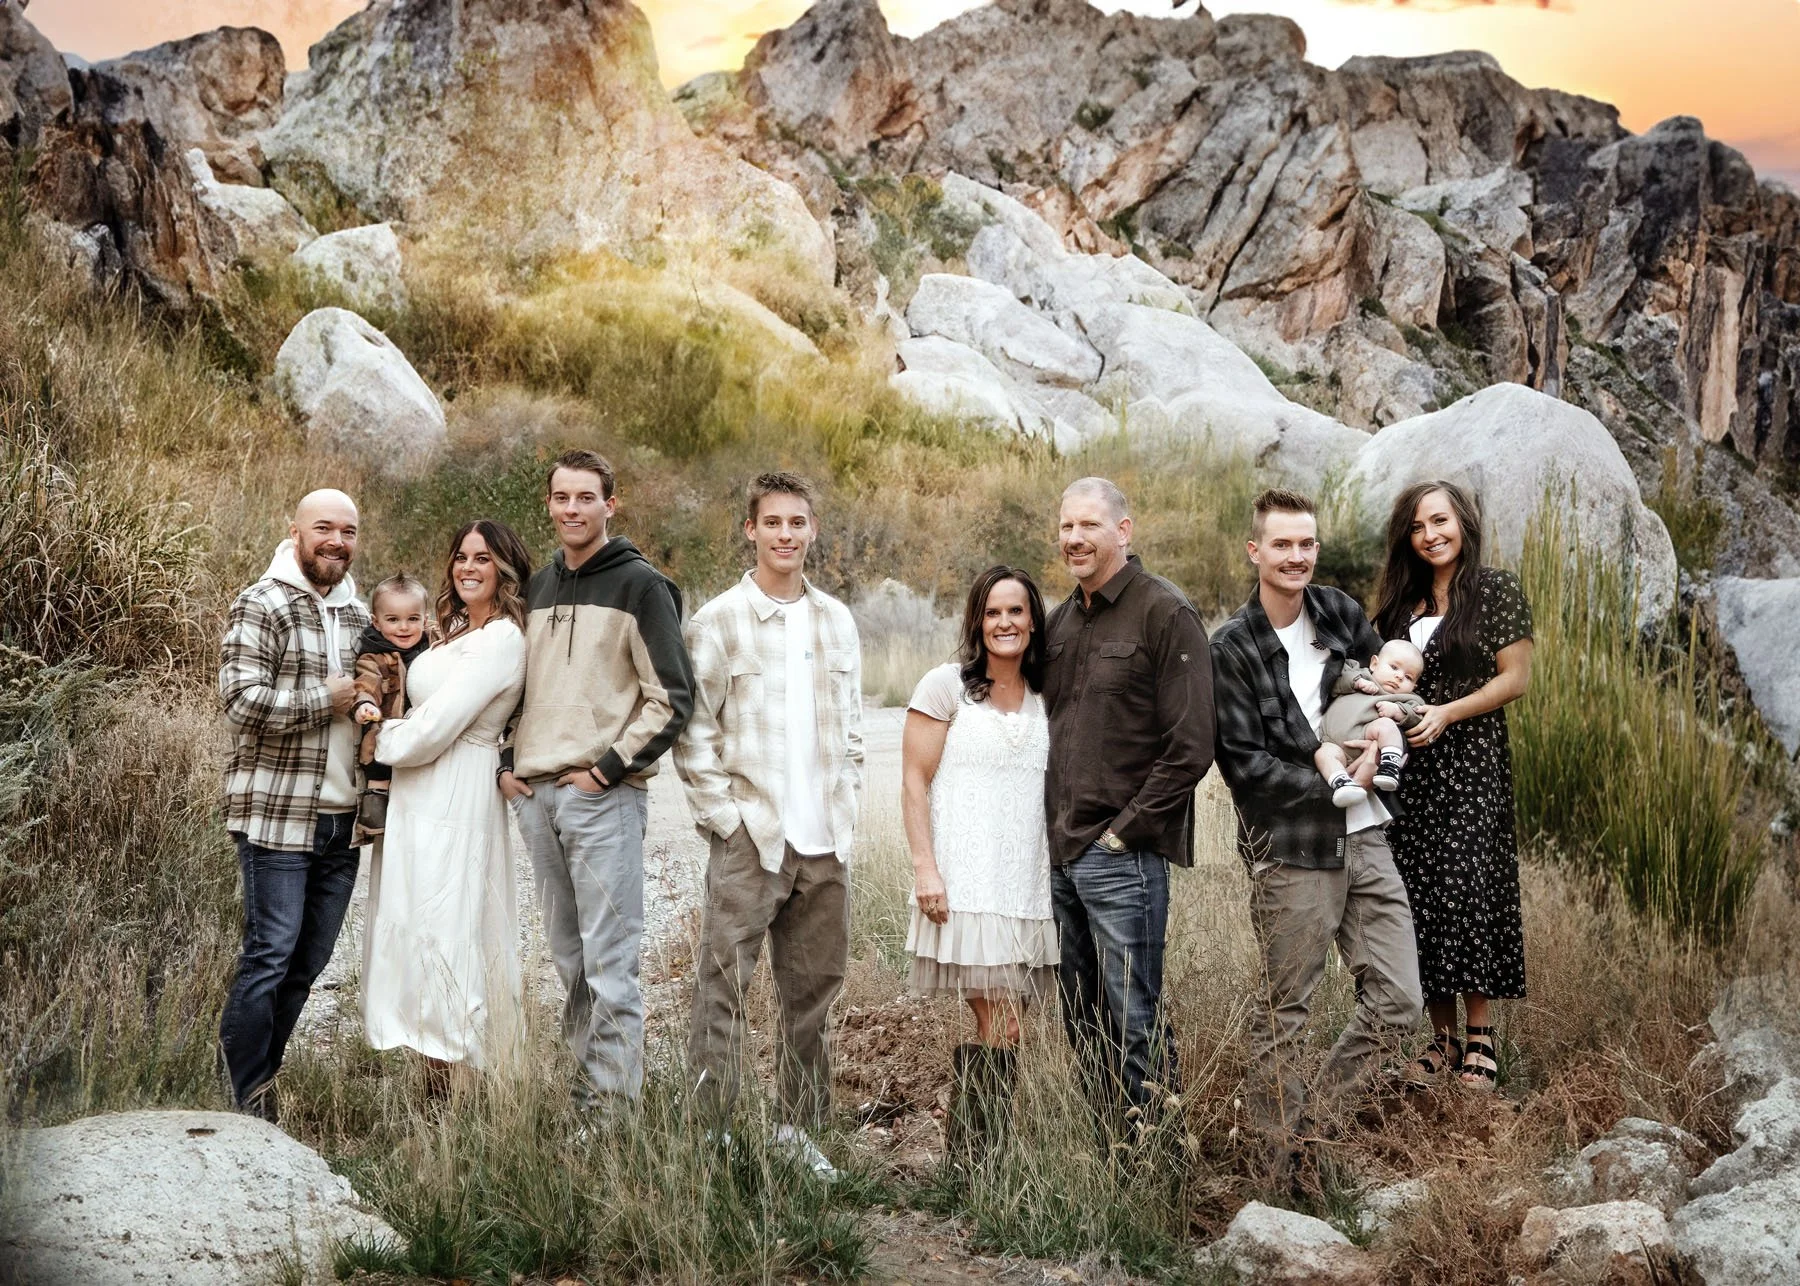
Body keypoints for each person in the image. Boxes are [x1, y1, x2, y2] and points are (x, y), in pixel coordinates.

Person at [1210, 488, 1423, 1188]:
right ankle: (1272, 1184)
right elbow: (1243, 764)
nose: (1296, 556)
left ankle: (1314, 1133)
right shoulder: (1233, 648)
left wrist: (1388, 733)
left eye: (1307, 544)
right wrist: (1331, 778)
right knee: (1285, 1015)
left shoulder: (1337, 610)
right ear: (1255, 551)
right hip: (1293, 847)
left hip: (1366, 838)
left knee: (1398, 1000)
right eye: (1282, 545)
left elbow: (1381, 687)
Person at [675, 471, 864, 1176]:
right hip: (752, 837)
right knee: (721, 986)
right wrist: (726, 821)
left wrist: (845, 818)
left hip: (824, 844)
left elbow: (851, 733)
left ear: (813, 530)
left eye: (798, 522)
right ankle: (710, 1134)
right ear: (750, 530)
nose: (786, 534)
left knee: (811, 997)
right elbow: (693, 732)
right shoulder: (719, 620)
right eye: (773, 522)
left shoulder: (836, 620)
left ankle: (799, 1134)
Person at [498, 450, 695, 1114]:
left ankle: (610, 1117)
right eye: (562, 498)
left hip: (601, 797)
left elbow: (672, 697)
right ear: (549, 505)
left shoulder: (643, 586)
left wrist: (605, 772)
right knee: (571, 963)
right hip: (537, 797)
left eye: (586, 498)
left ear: (611, 504)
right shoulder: (537, 588)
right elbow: (510, 688)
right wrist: (506, 763)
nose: (573, 510)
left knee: (612, 966)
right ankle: (585, 1097)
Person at [1042, 477, 1214, 1140]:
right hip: (1064, 855)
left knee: (1135, 1015)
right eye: (1066, 528)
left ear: (1124, 530)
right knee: (1081, 1015)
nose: (1074, 539)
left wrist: (1124, 833)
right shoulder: (1060, 621)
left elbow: (1193, 742)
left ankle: (1158, 1162)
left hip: (1123, 858)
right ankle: (1107, 1150)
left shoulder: (1163, 612)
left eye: (1088, 525)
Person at [1372, 480, 1533, 1091]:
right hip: (1409, 772)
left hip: (1471, 764)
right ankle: (1439, 1042)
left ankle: (1481, 1036)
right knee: (1419, 895)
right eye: (1417, 527)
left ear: (1462, 522)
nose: (1430, 535)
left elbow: (1514, 679)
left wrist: (1447, 712)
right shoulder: (1399, 604)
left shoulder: (1493, 590)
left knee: (1468, 888)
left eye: (1439, 521)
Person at [217, 488, 369, 1121]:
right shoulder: (263, 603)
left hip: (343, 824)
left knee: (308, 964)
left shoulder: (361, 615)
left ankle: (262, 1081)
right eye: (324, 528)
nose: (336, 541)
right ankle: (247, 1101)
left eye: (349, 531)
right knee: (270, 957)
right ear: (296, 532)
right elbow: (239, 701)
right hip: (279, 817)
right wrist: (323, 700)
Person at [361, 522, 531, 1081]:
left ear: (503, 568)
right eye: (460, 556)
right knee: (413, 912)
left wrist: (376, 741)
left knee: (450, 918)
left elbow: (439, 724)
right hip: (416, 791)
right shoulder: (453, 630)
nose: (468, 568)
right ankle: (428, 1070)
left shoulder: (503, 638)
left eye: (483, 559)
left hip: (457, 784)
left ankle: (463, 1077)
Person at [902, 565, 1058, 1160]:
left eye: (1016, 611)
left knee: (1005, 1029)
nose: (1004, 623)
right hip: (965, 887)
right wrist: (925, 868)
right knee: (1004, 1027)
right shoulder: (946, 687)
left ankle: (977, 1162)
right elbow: (914, 782)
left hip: (1027, 887)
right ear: (976, 620)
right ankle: (977, 1168)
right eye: (993, 612)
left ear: (1033, 620)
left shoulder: (1049, 693)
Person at [349, 574, 431, 842]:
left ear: (424, 619)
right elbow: (366, 682)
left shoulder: (431, 650)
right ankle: (375, 807)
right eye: (393, 620)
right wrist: (365, 704)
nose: (404, 628)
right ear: (376, 622)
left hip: (419, 732)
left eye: (413, 619)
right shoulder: (374, 655)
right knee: (377, 761)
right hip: (384, 731)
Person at [1313, 639, 1427, 809]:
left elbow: (1418, 714)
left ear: (1414, 686)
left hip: (1366, 736)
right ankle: (1342, 783)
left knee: (1386, 726)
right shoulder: (1358, 674)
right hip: (1333, 744)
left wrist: (1398, 711)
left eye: (1408, 677)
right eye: (1394, 667)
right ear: (1374, 663)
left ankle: (1389, 767)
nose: (1399, 676)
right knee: (1322, 754)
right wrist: (1357, 682)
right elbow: (1336, 680)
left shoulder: (1407, 699)